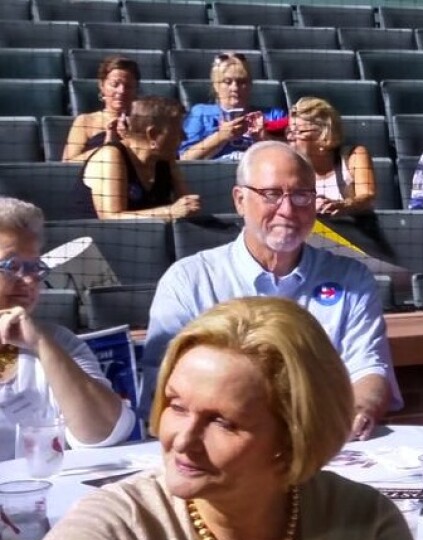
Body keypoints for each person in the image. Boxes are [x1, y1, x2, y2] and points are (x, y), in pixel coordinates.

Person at [26, 297, 421, 540]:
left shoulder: (364, 523)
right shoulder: (118, 526)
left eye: (222, 422)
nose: (182, 439)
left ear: (291, 438)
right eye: (176, 406)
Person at [143, 141, 400, 440]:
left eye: (302, 196)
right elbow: (162, 386)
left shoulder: (351, 279)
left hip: (322, 443)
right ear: (240, 199)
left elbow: (369, 368)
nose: (288, 210)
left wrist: (361, 411)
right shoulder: (189, 281)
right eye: (271, 194)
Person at [0, 198, 134, 461]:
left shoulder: (58, 342)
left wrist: (42, 345)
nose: (29, 281)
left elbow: (105, 433)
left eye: (35, 268)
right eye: (12, 267)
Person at [74, 96, 200, 220]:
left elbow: (189, 207)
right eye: (177, 131)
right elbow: (110, 218)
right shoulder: (110, 156)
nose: (184, 137)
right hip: (96, 238)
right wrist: (170, 212)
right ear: (153, 135)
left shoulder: (164, 157)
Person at [179, 52, 285, 161]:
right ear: (216, 85)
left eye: (241, 82)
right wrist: (220, 137)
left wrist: (264, 139)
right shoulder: (200, 114)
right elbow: (185, 159)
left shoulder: (273, 115)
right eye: (227, 82)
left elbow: (293, 156)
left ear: (250, 85)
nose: (234, 88)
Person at [287, 97, 376, 216]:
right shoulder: (289, 165)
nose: (291, 137)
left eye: (299, 132)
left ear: (324, 134)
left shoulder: (354, 155)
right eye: (290, 131)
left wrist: (344, 205)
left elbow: (367, 196)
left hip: (350, 229)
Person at [62, 56, 139, 163]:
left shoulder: (144, 122)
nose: (121, 91)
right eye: (115, 84)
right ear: (102, 86)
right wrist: (108, 147)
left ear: (136, 89)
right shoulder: (85, 121)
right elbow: (68, 163)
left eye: (128, 86)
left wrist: (130, 139)